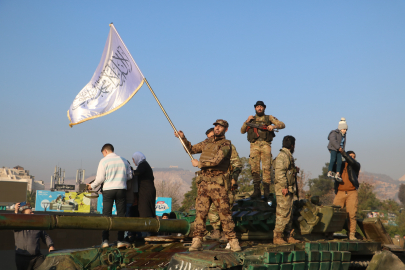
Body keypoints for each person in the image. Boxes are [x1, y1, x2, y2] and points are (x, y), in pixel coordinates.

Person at [174, 119, 242, 252]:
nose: (217, 128)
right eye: (216, 126)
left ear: (225, 130)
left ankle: (233, 242)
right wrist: (183, 138)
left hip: (218, 184)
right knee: (200, 214)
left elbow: (218, 160)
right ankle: (197, 241)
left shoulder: (226, 144)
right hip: (204, 184)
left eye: (220, 127)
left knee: (224, 214)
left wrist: (199, 164)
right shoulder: (207, 142)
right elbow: (192, 149)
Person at [87, 143, 132, 248]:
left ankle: (105, 240)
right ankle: (120, 240)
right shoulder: (124, 160)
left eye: (103, 153)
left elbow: (100, 179)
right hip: (121, 189)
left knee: (106, 216)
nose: (103, 155)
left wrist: (91, 186)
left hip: (108, 190)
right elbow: (130, 176)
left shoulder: (103, 161)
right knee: (121, 215)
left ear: (105, 151)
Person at [240, 101, 285, 200]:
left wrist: (273, 126)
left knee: (266, 169)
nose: (259, 108)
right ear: (255, 108)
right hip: (254, 146)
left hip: (265, 145)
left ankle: (266, 191)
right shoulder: (251, 119)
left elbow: (282, 124)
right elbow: (242, 131)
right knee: (254, 169)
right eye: (257, 107)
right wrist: (247, 121)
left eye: (261, 107)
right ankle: (256, 191)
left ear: (264, 108)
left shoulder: (269, 118)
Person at [205, 127, 242, 241]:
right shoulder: (208, 149)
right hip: (212, 183)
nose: (211, 139)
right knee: (212, 208)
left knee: (225, 209)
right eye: (209, 138)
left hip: (226, 182)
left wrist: (233, 179)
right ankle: (216, 231)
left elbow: (237, 165)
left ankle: (227, 233)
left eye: (212, 137)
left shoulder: (228, 147)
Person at [273, 135, 300, 244]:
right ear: (292, 145)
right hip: (283, 188)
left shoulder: (287, 155)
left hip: (288, 188)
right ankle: (277, 237)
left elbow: (286, 170)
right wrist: (284, 186)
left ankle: (289, 235)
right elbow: (279, 173)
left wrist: (294, 170)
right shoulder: (282, 156)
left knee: (289, 213)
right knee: (282, 213)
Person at [14, 202, 55, 270]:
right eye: (30, 213)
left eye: (32, 212)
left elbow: (45, 236)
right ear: (24, 216)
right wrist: (16, 211)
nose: (33, 214)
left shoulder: (37, 225)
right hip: (22, 258)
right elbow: (14, 222)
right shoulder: (18, 225)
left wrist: (51, 246)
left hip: (37, 257)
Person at [333, 149, 360, 240]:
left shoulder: (356, 165)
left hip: (352, 192)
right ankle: (330, 233)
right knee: (334, 213)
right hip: (340, 192)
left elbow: (353, 162)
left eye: (354, 157)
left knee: (352, 214)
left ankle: (352, 234)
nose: (353, 158)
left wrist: (343, 153)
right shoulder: (340, 166)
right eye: (351, 156)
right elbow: (332, 166)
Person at [132, 152, 156, 218]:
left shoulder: (143, 164)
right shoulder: (143, 164)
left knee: (145, 209)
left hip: (146, 191)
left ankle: (147, 225)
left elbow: (138, 172)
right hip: (145, 190)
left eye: (134, 160)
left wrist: (129, 172)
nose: (133, 162)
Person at [327, 118, 348, 182]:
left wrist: (342, 150)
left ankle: (338, 174)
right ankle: (329, 172)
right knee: (333, 159)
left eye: (346, 129)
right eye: (344, 129)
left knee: (339, 161)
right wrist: (338, 147)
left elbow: (343, 143)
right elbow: (333, 140)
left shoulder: (344, 135)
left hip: (340, 150)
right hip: (334, 148)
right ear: (340, 128)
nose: (345, 131)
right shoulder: (334, 132)